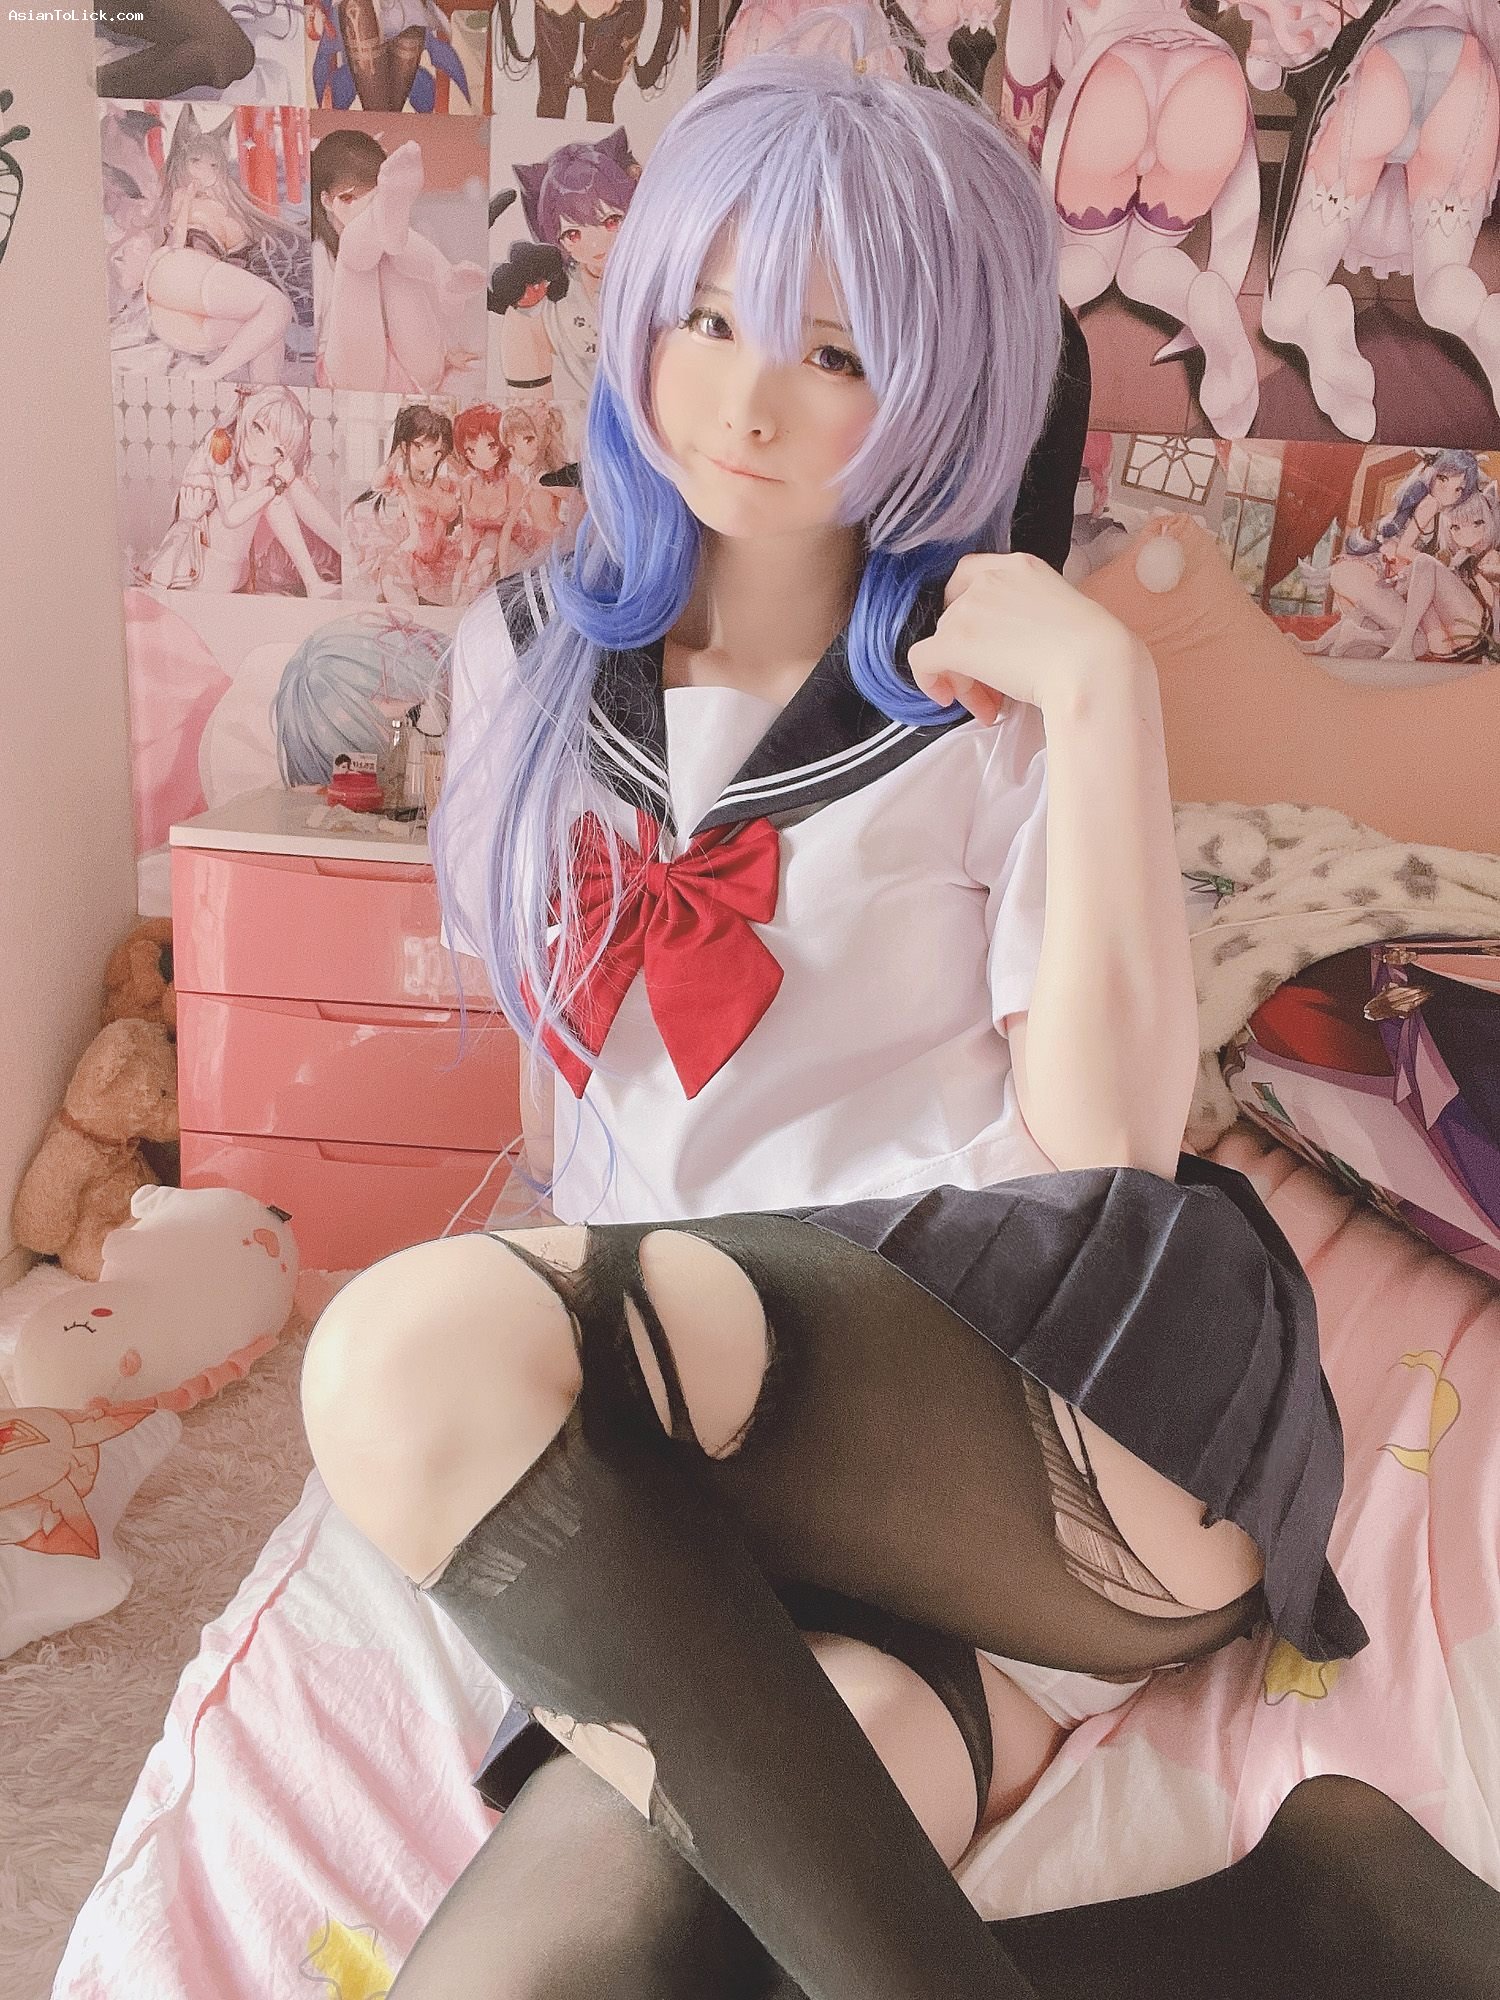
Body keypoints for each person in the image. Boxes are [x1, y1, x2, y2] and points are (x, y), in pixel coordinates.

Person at [299, 50, 1500, 2000]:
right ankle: (1308, 1920)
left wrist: (1104, 701)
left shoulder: (989, 681)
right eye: (705, 318)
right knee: (569, 1968)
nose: (748, 400)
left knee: (393, 1348)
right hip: (733, 1472)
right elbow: (570, 1132)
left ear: (945, 381)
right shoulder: (524, 661)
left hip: (1044, 1401)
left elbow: (1105, 1154)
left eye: (837, 354)